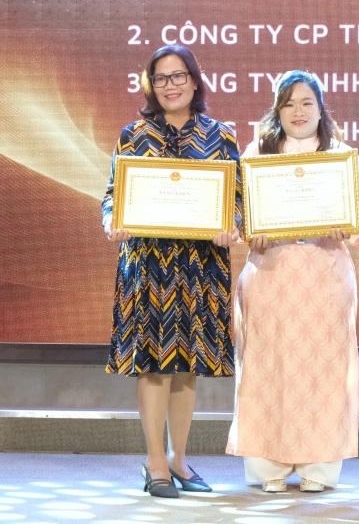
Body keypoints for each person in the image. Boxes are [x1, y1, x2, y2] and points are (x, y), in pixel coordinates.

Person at [226, 70, 359, 493]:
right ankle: (268, 467)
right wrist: (249, 230)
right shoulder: (257, 152)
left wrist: (345, 224)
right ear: (277, 110)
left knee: (324, 371)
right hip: (270, 272)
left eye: (307, 102)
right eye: (288, 103)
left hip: (325, 273)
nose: (298, 111)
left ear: (321, 109)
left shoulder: (341, 155)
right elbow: (239, 208)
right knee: (267, 368)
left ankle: (318, 468)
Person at [103, 44, 240, 498]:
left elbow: (237, 199)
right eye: (161, 78)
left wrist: (232, 225)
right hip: (147, 264)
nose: (170, 85)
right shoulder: (133, 135)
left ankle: (179, 458)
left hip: (201, 266)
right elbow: (113, 195)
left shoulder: (221, 136)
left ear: (194, 81)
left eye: (178, 76)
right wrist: (112, 220)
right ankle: (154, 461)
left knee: (188, 365)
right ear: (151, 85)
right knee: (153, 364)